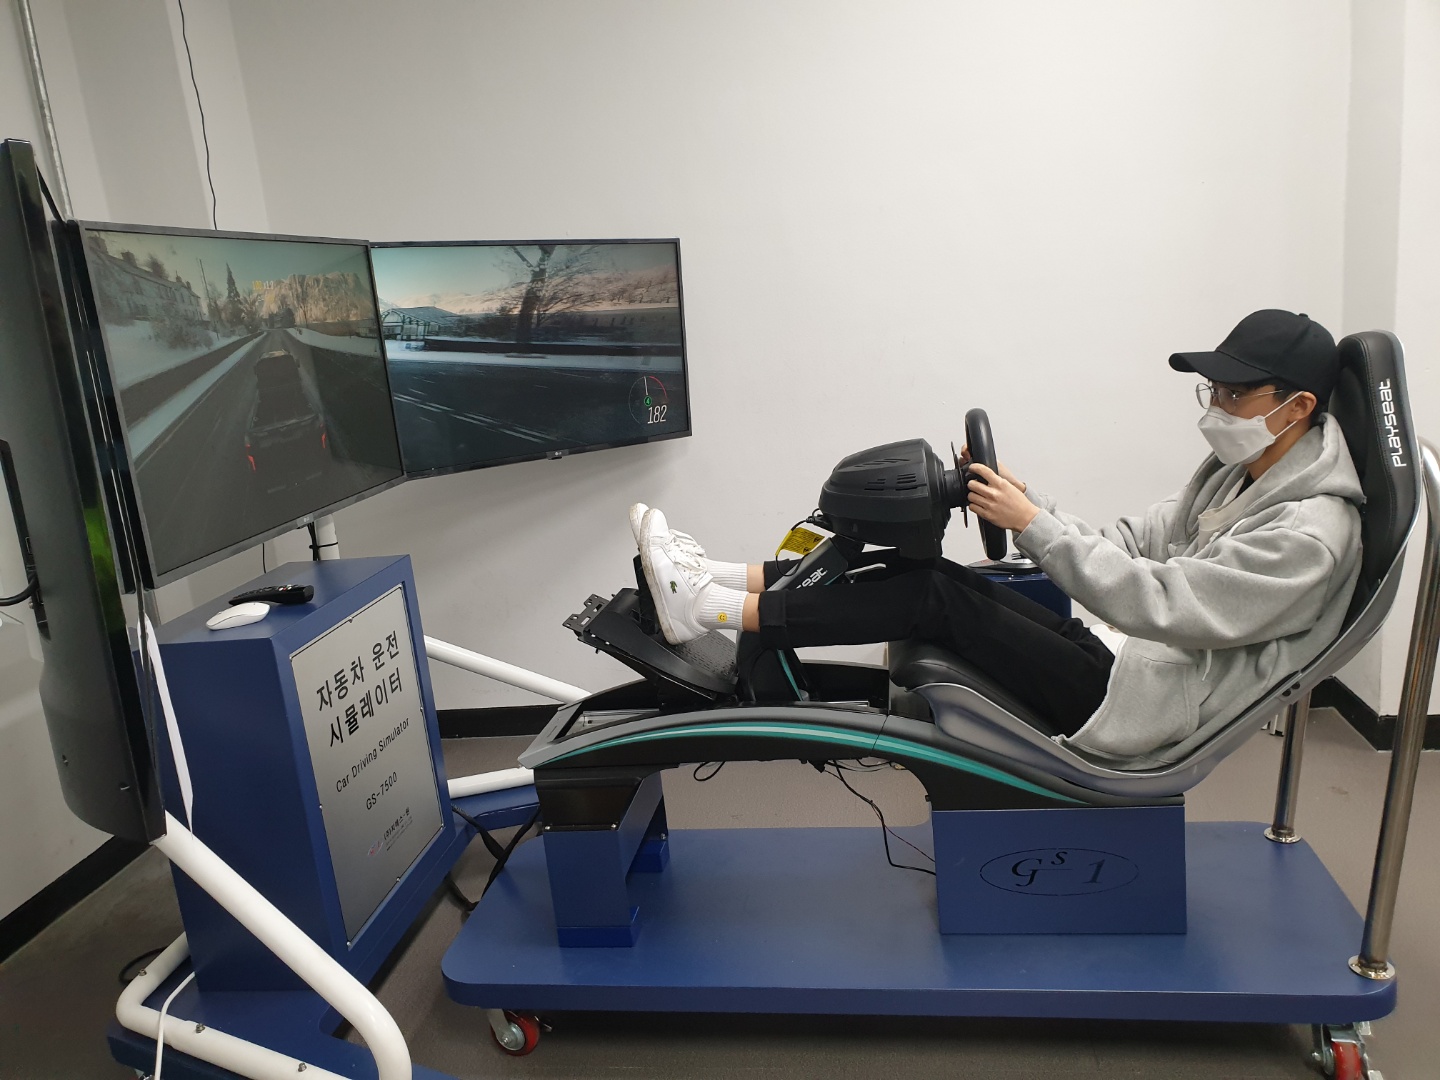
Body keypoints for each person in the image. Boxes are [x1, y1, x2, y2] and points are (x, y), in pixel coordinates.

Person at [636, 310, 1364, 765]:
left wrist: (1031, 525)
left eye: (1235, 394)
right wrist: (1023, 501)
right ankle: (718, 578)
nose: (1218, 407)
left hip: (1144, 703)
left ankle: (707, 609)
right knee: (933, 573)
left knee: (929, 599)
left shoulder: (1309, 535)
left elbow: (1162, 603)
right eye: (1214, 390)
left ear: (1298, 405)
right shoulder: (1242, 473)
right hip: (1130, 662)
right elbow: (1130, 542)